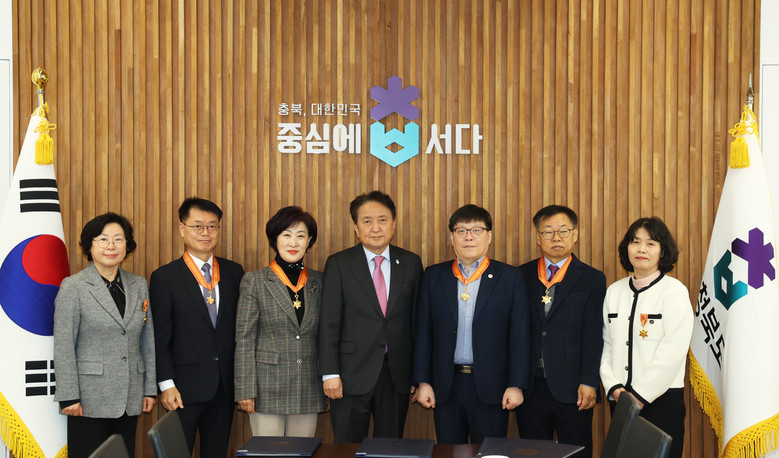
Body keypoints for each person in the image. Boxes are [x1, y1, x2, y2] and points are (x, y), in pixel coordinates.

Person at [412, 204, 529, 444]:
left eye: (476, 230)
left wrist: (516, 384)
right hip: (446, 386)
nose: (468, 237)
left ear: (489, 236)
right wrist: (423, 381)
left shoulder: (510, 277)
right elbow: (423, 332)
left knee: (489, 453)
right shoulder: (434, 276)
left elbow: (520, 336)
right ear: (452, 238)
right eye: (461, 230)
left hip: (492, 386)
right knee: (448, 452)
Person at [318, 190, 423, 443]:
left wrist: (418, 375)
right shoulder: (339, 263)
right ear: (356, 227)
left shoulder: (410, 262)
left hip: (396, 375)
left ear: (393, 224)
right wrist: (330, 373)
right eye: (367, 221)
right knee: (347, 446)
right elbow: (329, 322)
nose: (375, 227)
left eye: (382, 220)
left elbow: (417, 322)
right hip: (349, 375)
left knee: (390, 447)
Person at [53, 212, 156, 458]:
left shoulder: (138, 284)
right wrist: (68, 396)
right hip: (88, 399)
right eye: (103, 239)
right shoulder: (73, 286)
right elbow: (64, 344)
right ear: (89, 245)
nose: (111, 246)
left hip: (130, 395)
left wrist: (149, 388)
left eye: (118, 239)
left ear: (127, 246)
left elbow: (147, 339)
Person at [150, 197, 244, 456]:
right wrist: (166, 384)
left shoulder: (234, 272)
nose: (205, 233)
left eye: (212, 226)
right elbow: (160, 337)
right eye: (198, 226)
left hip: (224, 386)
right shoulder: (165, 277)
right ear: (182, 229)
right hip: (183, 388)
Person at [515, 205, 606, 458]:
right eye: (548, 231)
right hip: (530, 386)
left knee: (575, 453)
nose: (556, 237)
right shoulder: (520, 275)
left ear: (575, 235)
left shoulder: (593, 279)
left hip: (574, 388)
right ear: (538, 237)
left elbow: (593, 335)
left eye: (563, 231)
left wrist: (589, 381)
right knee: (532, 454)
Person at [600, 217, 693, 458]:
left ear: (663, 251)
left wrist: (640, 396)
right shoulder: (614, 291)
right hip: (621, 400)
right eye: (635, 242)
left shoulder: (674, 292)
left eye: (651, 244)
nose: (641, 249)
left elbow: (673, 351)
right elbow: (607, 346)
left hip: (662, 401)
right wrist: (613, 386)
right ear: (627, 248)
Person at [235, 206, 326, 436]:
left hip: (308, 387)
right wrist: (245, 389)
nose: (293, 242)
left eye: (301, 235)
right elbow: (244, 339)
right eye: (287, 235)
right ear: (275, 239)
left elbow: (327, 335)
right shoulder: (255, 280)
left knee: (303, 450)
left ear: (309, 241)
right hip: (266, 388)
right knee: (268, 451)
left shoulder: (320, 281)